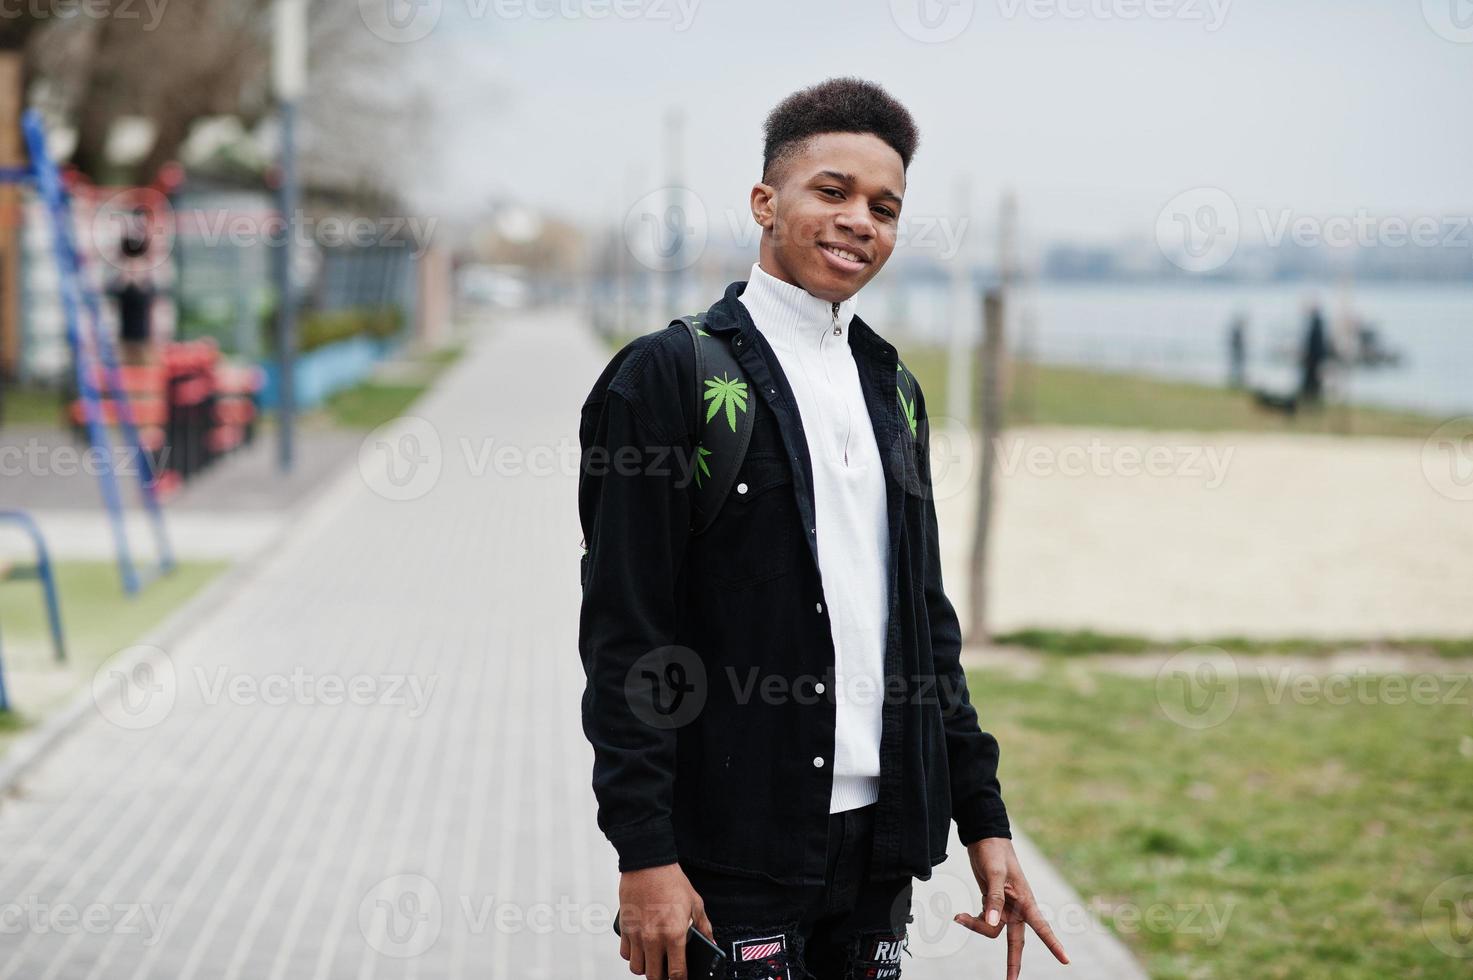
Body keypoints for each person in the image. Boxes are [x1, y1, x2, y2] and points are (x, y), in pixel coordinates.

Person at [577, 77, 1067, 980]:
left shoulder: (892, 390)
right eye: (831, 192)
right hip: (730, 845)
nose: (859, 222)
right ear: (765, 201)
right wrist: (643, 852)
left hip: (880, 847)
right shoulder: (667, 376)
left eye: (884, 207)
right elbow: (625, 635)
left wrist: (983, 820)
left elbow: (925, 626)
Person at [105, 207, 157, 366]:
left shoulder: (143, 276)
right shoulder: (125, 273)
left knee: (142, 353)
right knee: (128, 353)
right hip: (127, 328)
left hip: (141, 330)